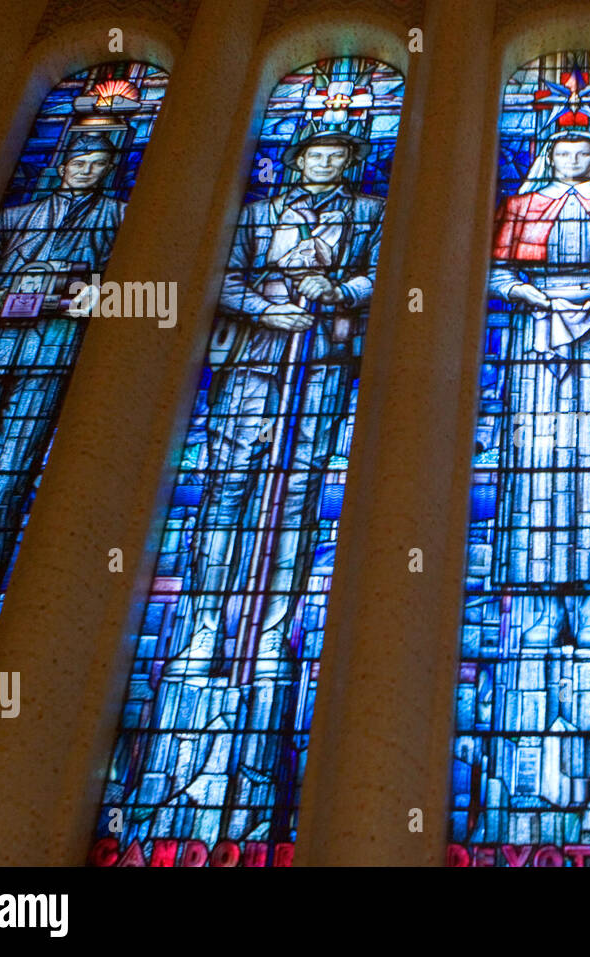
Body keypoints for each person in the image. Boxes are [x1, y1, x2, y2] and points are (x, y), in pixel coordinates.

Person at [163, 120, 385, 680]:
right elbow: (221, 277)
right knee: (227, 489)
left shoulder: (368, 213)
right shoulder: (259, 214)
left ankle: (270, 633)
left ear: (348, 162)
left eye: (336, 156)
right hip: (252, 360)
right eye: (316, 154)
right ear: (298, 159)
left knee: (297, 492)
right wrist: (266, 311)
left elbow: (381, 274)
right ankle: (205, 628)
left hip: (321, 363)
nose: (324, 163)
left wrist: (339, 291)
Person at [479, 126, 590, 839]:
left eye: (584, 154)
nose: (574, 161)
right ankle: (545, 601)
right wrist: (531, 295)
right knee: (541, 472)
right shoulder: (523, 208)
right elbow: (492, 272)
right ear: (550, 158)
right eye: (564, 154)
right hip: (537, 347)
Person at [0, 132, 125, 674]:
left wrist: (93, 294)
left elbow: (127, 286)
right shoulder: (15, 218)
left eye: (97, 164)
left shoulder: (119, 217)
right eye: (78, 161)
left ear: (108, 170)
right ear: (62, 165)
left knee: (5, 484)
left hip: (49, 355)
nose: (85, 170)